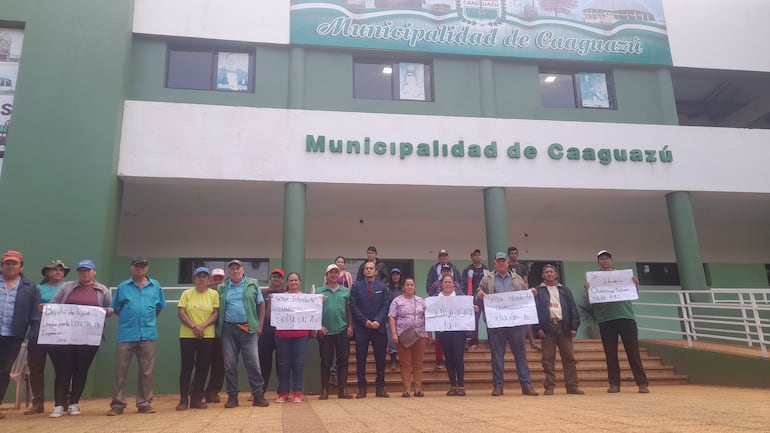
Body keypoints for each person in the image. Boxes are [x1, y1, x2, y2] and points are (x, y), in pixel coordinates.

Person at [48, 260, 113, 417]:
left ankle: (74, 404)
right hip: (64, 336)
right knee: (63, 370)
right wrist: (46, 308)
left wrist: (104, 312)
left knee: (81, 370)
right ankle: (58, 405)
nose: (84, 273)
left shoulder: (102, 290)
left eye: (88, 270)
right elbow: (54, 304)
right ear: (78, 273)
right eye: (81, 271)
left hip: (89, 337)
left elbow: (111, 309)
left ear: (94, 272)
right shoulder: (68, 287)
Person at [583, 250, 649, 394]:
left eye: (607, 258)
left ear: (612, 261)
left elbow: (634, 294)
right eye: (601, 259)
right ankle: (614, 384)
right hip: (606, 319)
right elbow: (591, 300)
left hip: (626, 317)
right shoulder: (594, 279)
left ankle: (642, 383)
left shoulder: (624, 277)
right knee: (610, 353)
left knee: (633, 352)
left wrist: (635, 285)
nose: (604, 261)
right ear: (598, 262)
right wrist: (589, 290)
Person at [108, 257, 166, 416]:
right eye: (137, 266)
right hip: (127, 334)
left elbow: (158, 308)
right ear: (131, 268)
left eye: (143, 266)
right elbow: (117, 309)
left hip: (148, 334)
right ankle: (118, 405)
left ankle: (144, 403)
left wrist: (147, 320)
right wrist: (131, 319)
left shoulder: (156, 286)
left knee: (147, 371)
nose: (140, 269)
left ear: (146, 268)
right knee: (121, 371)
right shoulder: (123, 287)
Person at [476, 252, 539, 397]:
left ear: (508, 263)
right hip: (496, 323)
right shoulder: (487, 279)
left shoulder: (517, 279)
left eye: (504, 261)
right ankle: (498, 386)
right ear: (494, 264)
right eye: (499, 261)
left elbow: (525, 295)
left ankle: (526, 385)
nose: (501, 264)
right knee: (497, 355)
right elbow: (478, 292)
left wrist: (531, 293)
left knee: (520, 354)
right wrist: (479, 293)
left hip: (516, 323)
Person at [217, 259, 270, 408]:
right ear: (229, 272)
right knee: (229, 364)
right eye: (232, 268)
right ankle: (232, 397)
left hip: (249, 329)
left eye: (237, 268)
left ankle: (258, 395)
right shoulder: (222, 287)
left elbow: (261, 304)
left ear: (243, 270)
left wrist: (260, 325)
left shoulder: (252, 284)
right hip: (229, 329)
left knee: (253, 362)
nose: (235, 271)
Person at [0, 250, 41, 421]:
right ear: (2, 266)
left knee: (3, 372)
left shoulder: (30, 287)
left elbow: (35, 312)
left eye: (14, 263)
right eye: (7, 263)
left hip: (13, 336)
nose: (10, 266)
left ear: (21, 266)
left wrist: (34, 332)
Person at [25, 259, 69, 415]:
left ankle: (64, 401)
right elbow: (32, 309)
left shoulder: (69, 288)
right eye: (54, 269)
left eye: (61, 270)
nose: (58, 271)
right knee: (36, 368)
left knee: (63, 368)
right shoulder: (37, 289)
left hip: (60, 334)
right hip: (38, 332)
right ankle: (38, 403)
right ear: (47, 273)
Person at [533, 264, 584, 396]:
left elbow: (573, 308)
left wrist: (574, 326)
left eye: (551, 272)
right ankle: (549, 386)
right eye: (546, 272)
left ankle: (572, 386)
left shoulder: (565, 290)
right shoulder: (538, 291)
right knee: (547, 359)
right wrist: (538, 328)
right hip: (547, 328)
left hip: (564, 327)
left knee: (569, 357)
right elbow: (535, 311)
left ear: (556, 274)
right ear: (543, 275)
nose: (549, 274)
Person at [176, 267, 219, 410]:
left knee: (202, 368)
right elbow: (181, 313)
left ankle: (196, 399)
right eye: (198, 276)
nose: (201, 279)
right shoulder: (186, 293)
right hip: (187, 336)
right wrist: (195, 326)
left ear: (209, 280)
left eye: (204, 276)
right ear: (194, 279)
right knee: (186, 367)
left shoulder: (213, 294)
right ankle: (183, 400)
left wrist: (203, 326)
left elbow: (215, 313)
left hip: (207, 336)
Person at [350, 261, 390, 398]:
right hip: (362, 328)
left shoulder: (383, 287)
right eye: (366, 268)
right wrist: (365, 321)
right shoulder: (356, 287)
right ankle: (362, 388)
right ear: (363, 271)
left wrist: (378, 320)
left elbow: (386, 305)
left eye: (371, 268)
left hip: (379, 329)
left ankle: (380, 388)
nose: (368, 270)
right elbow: (353, 306)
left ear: (376, 271)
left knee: (381, 359)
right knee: (361, 359)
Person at [274, 272, 313, 403]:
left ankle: (297, 392)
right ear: (287, 282)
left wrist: (318, 301)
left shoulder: (306, 298)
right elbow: (271, 315)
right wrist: (271, 302)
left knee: (298, 364)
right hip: (282, 335)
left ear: (299, 282)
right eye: (291, 280)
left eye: (296, 280)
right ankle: (283, 393)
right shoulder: (280, 298)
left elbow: (314, 312)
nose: (294, 282)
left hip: (301, 335)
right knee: (283, 364)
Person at [318, 264, 354, 400]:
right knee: (325, 361)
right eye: (330, 273)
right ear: (326, 276)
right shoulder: (319, 292)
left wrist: (351, 326)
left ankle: (342, 390)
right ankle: (325, 390)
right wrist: (319, 326)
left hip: (342, 330)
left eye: (336, 272)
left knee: (343, 361)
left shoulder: (346, 292)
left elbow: (349, 310)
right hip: (325, 332)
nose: (333, 275)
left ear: (339, 275)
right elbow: (314, 312)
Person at [388, 277, 428, 398]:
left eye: (412, 285)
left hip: (420, 335)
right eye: (407, 285)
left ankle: (418, 389)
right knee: (405, 363)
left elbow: (428, 318)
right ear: (403, 287)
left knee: (418, 363)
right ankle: (406, 389)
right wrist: (394, 334)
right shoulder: (397, 301)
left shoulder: (421, 301)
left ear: (414, 287)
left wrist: (430, 334)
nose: (410, 287)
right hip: (403, 336)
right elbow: (391, 317)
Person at [435, 275, 474, 396]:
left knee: (458, 357)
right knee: (449, 358)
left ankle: (461, 385)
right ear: (441, 284)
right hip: (443, 332)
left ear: (454, 284)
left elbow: (468, 310)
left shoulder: (460, 298)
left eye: (449, 282)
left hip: (458, 331)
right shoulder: (436, 299)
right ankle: (452, 385)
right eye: (445, 282)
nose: (447, 284)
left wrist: (473, 308)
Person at [427, 264, 461, 368]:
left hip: (453, 317)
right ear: (441, 272)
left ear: (450, 272)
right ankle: (439, 359)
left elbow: (461, 297)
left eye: (448, 271)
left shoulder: (456, 284)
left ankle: (451, 359)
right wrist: (430, 306)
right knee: (439, 339)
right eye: (444, 271)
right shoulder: (435, 284)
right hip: (440, 317)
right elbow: (431, 296)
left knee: (453, 339)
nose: (446, 272)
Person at [259, 268, 286, 393]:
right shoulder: (263, 293)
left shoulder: (288, 294)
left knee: (281, 363)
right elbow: (258, 312)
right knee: (264, 364)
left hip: (282, 333)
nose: (276, 279)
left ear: (282, 280)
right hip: (265, 333)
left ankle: (282, 391)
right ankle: (260, 391)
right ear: (270, 279)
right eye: (274, 277)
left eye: (278, 277)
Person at [508, 246, 540, 351]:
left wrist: (526, 292)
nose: (513, 255)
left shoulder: (522, 267)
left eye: (515, 253)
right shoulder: (505, 266)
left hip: (520, 296)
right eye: (511, 253)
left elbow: (526, 281)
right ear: (509, 255)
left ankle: (532, 341)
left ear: (517, 254)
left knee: (526, 319)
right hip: (508, 297)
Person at [203, 267, 226, 403]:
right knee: (202, 363)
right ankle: (197, 391)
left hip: (223, 334)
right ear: (211, 279)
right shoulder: (204, 292)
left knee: (219, 364)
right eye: (215, 278)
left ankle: (212, 392)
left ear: (224, 279)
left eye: (220, 278)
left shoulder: (227, 292)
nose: (217, 281)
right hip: (205, 333)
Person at [462, 249, 488, 349]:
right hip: (473, 299)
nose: (477, 257)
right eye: (475, 255)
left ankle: (492, 340)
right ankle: (474, 341)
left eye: (479, 255)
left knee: (489, 319)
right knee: (474, 320)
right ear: (472, 257)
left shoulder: (486, 269)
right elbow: (464, 284)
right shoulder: (467, 269)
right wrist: (467, 298)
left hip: (486, 298)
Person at [386, 267, 403, 369]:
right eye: (393, 274)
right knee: (391, 340)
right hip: (390, 318)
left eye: (397, 274)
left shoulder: (403, 287)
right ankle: (393, 361)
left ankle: (402, 360)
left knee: (402, 340)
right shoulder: (387, 288)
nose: (395, 276)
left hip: (402, 319)